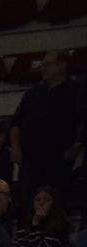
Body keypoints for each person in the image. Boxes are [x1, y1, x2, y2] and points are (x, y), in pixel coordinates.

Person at [9, 52, 85, 205]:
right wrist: (16, 148)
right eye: (42, 65)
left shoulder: (77, 90)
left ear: (62, 65)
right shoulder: (32, 93)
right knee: (26, 200)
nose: (43, 68)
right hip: (30, 159)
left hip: (58, 159)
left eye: (48, 64)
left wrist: (76, 146)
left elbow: (84, 120)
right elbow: (16, 122)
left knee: (55, 199)